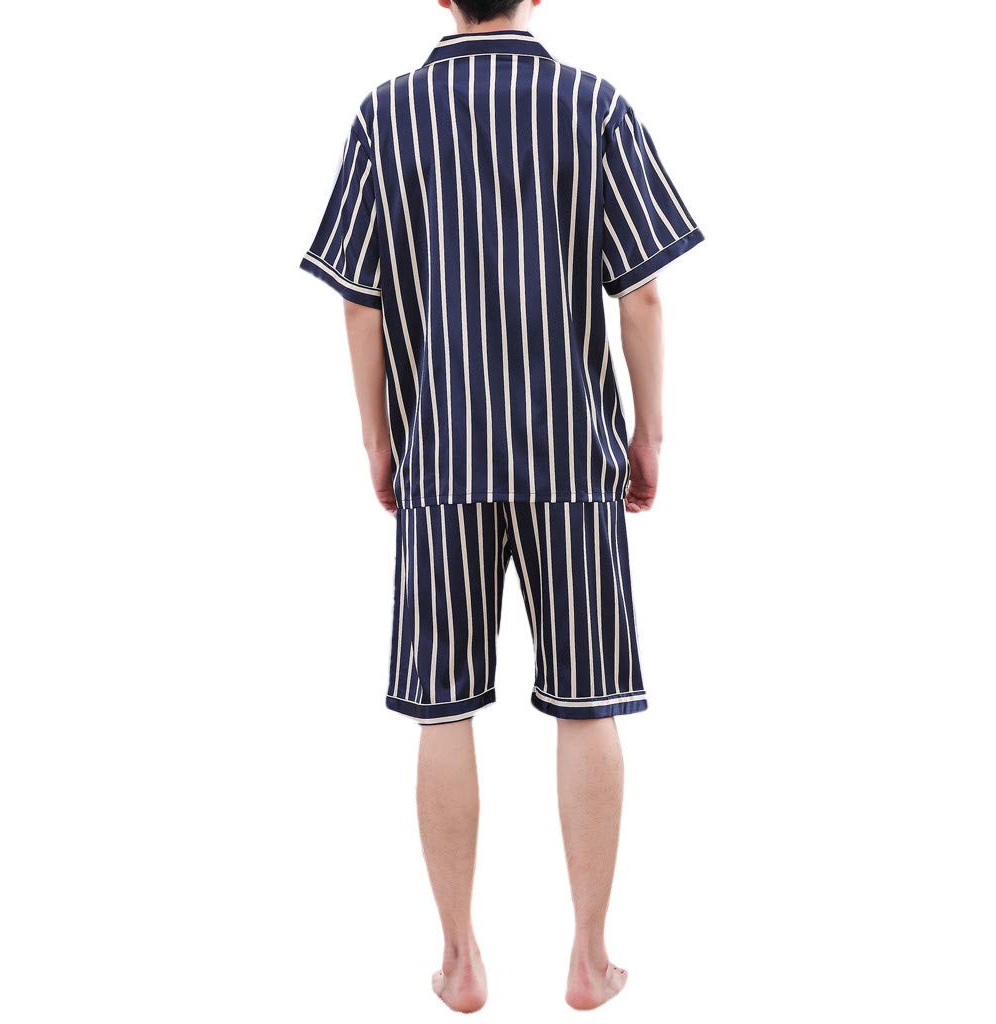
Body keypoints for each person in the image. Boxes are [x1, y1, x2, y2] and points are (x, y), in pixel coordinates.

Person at [300, 0, 703, 1011]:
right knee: (589, 700)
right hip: (572, 456)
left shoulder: (386, 115)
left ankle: (458, 958)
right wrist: (648, 432)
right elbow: (642, 294)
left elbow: (359, 297)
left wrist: (377, 436)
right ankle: (589, 957)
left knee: (442, 705)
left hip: (441, 456)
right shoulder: (593, 106)